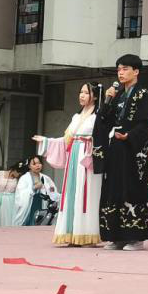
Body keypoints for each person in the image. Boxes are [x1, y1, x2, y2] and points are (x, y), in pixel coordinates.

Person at [93, 54, 148, 251]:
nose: (121, 73)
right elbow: (103, 121)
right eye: (119, 69)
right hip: (116, 149)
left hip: (133, 150)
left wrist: (129, 135)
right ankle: (116, 236)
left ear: (136, 71)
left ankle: (136, 237)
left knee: (132, 188)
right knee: (113, 188)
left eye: (125, 69)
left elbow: (146, 124)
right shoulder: (117, 95)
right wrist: (107, 101)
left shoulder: (143, 94)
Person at [33, 82, 104, 245]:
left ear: (95, 96)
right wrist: (46, 141)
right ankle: (71, 233)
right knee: (72, 192)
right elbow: (66, 140)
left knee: (86, 194)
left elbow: (103, 138)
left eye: (86, 92)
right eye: (81, 92)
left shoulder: (98, 116)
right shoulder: (76, 117)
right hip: (74, 156)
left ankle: (87, 234)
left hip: (87, 157)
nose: (81, 95)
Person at [14, 155, 59, 226]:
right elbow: (20, 193)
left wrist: (49, 190)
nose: (37, 165)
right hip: (29, 206)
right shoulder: (24, 178)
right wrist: (34, 187)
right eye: (34, 164)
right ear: (29, 166)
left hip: (42, 204)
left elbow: (53, 191)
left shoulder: (46, 178)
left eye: (39, 163)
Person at [0, 162, 24, 227]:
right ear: (15, 170)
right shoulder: (0, 173)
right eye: (19, 173)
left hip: (10, 202)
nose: (19, 175)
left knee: (8, 220)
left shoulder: (17, 179)